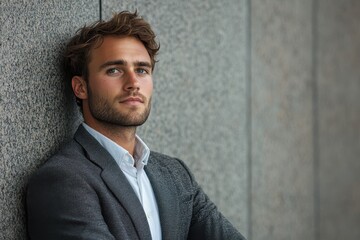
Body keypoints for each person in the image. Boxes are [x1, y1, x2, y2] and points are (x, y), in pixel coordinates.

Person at [26, 11, 246, 240]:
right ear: (80, 87)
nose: (133, 83)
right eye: (114, 70)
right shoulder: (64, 180)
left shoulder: (175, 175)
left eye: (142, 70)